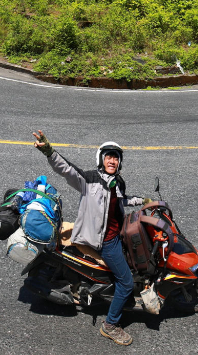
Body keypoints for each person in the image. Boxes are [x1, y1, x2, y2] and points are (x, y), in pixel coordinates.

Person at [32, 130, 150, 346]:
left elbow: (122, 200)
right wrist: (49, 151)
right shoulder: (89, 180)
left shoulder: (117, 182)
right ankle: (111, 325)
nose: (112, 160)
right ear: (100, 159)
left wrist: (144, 200)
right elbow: (67, 170)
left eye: (115, 157)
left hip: (117, 234)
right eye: (108, 156)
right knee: (125, 282)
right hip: (103, 241)